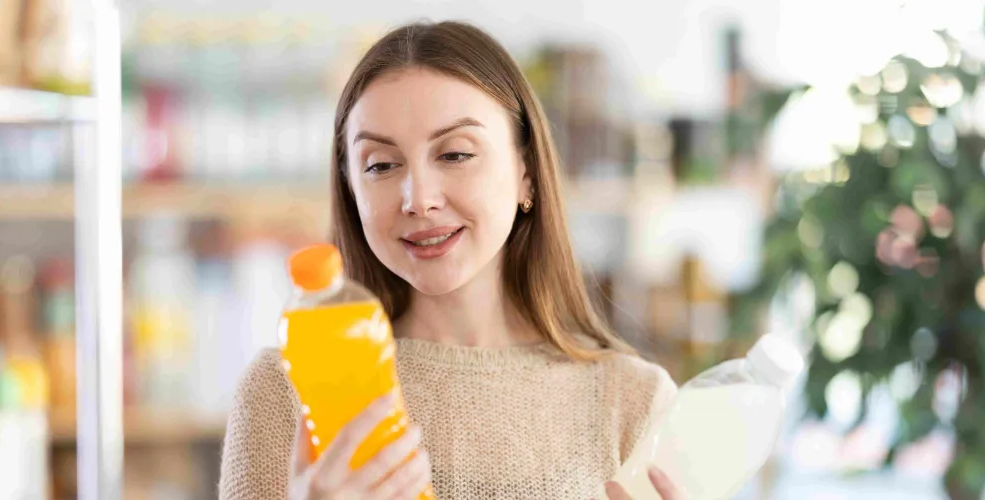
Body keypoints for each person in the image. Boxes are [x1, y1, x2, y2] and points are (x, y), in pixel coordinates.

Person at [220, 21, 684, 500]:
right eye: (380, 165)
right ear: (350, 189)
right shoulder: (284, 395)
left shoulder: (632, 403)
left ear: (526, 172)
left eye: (455, 154)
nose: (418, 199)